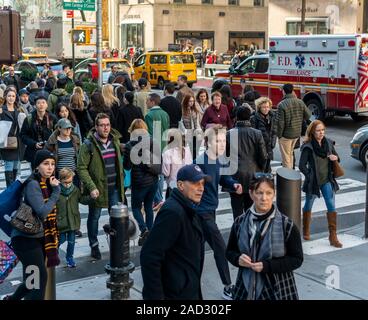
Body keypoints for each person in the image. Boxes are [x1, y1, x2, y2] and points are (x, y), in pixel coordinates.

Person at [226, 174, 303, 300]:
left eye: (268, 193)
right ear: (251, 194)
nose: (264, 198)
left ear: (274, 194)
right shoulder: (240, 222)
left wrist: (267, 266)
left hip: (278, 287)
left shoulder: (287, 225)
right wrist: (237, 259)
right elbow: (230, 251)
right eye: (259, 193)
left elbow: (297, 259)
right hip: (245, 286)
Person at [140, 164, 208, 300]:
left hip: (186, 289)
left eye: (202, 184)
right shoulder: (173, 213)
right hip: (175, 293)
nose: (201, 188)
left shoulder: (188, 207)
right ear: (181, 185)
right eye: (195, 183)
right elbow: (150, 255)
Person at [194, 127, 243, 299]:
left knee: (198, 249)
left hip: (210, 209)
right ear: (208, 142)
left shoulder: (218, 159)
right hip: (201, 212)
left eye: (223, 141)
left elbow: (223, 177)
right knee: (220, 247)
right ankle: (228, 286)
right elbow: (191, 186)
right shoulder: (200, 161)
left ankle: (192, 284)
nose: (222, 144)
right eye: (218, 141)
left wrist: (233, 184)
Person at [6, 150, 61, 300]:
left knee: (32, 281)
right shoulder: (33, 185)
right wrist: (56, 192)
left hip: (37, 238)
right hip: (25, 240)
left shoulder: (47, 183)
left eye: (52, 164)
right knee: (38, 279)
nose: (50, 167)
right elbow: (42, 212)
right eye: (45, 164)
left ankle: (12, 299)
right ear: (37, 166)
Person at [77, 113, 124, 260]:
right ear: (96, 127)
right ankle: (94, 244)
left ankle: (117, 243)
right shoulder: (88, 144)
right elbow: (81, 167)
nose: (105, 128)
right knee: (94, 217)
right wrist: (91, 186)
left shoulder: (115, 140)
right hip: (98, 189)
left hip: (114, 187)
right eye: (102, 125)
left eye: (108, 125)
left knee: (116, 217)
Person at [299, 120, 343, 247]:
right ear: (313, 131)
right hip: (313, 182)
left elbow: (337, 157)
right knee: (308, 204)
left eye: (323, 130)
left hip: (326, 180)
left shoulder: (328, 143)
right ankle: (306, 230)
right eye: (318, 130)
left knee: (331, 205)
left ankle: (333, 236)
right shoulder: (308, 146)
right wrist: (309, 175)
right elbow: (302, 165)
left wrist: (335, 158)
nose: (321, 133)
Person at [226, 106, 268, 220]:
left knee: (237, 210)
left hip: (234, 175)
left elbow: (224, 156)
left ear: (236, 118)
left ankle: (238, 233)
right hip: (253, 174)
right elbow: (264, 156)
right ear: (249, 118)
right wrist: (260, 169)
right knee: (251, 209)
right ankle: (250, 233)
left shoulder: (229, 134)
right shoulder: (257, 133)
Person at [123, 119, 160, 246]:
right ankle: (150, 232)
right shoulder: (152, 141)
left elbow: (127, 166)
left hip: (139, 182)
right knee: (149, 206)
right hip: (153, 180)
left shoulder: (129, 145)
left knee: (135, 207)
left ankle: (144, 230)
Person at [57, 168, 88, 268]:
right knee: (60, 240)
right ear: (60, 180)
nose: (68, 184)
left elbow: (82, 199)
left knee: (71, 241)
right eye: (65, 182)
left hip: (72, 221)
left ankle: (69, 257)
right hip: (61, 221)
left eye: (70, 182)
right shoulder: (57, 191)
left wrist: (91, 197)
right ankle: (53, 255)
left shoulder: (75, 190)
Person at [145, 93, 170, 211]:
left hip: (154, 147)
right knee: (161, 175)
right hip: (165, 146)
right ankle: (159, 199)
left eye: (147, 101)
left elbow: (150, 133)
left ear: (152, 102)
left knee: (154, 175)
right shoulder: (165, 114)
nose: (146, 103)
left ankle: (158, 199)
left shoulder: (149, 115)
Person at [276, 83, 311, 169]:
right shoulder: (300, 102)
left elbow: (280, 123)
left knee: (286, 158)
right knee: (290, 154)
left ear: (283, 91)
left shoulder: (281, 104)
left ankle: (288, 177)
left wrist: (279, 135)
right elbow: (308, 115)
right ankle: (291, 174)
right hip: (296, 134)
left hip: (286, 135)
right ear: (292, 91)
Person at [20, 96, 58, 170]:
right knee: (36, 174)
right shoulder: (29, 118)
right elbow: (23, 135)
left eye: (43, 102)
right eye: (38, 103)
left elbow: (58, 133)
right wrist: (34, 143)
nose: (41, 105)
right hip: (34, 152)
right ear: (35, 105)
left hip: (49, 150)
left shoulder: (52, 118)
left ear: (47, 105)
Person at [0, 87, 26, 186]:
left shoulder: (19, 109)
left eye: (13, 96)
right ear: (5, 97)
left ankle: (14, 190)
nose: (11, 98)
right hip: (7, 141)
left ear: (16, 97)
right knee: (9, 166)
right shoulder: (2, 110)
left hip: (19, 142)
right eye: (9, 96)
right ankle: (10, 190)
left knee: (17, 168)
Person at [162, 129, 192, 199]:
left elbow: (166, 173)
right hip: (186, 185)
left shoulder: (167, 153)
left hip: (173, 186)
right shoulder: (187, 150)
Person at [251, 97, 277, 173]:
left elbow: (274, 131)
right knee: (260, 169)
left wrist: (273, 143)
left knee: (268, 168)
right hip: (259, 148)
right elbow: (253, 134)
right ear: (259, 107)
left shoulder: (272, 117)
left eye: (267, 107)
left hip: (269, 147)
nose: (266, 109)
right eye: (264, 107)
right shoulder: (254, 118)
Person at [181, 94, 202, 160]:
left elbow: (197, 122)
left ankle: (195, 162)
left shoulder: (195, 110)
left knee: (195, 151)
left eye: (193, 101)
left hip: (195, 132)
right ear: (186, 101)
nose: (191, 103)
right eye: (190, 101)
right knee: (188, 150)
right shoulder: (182, 110)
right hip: (187, 132)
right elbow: (181, 122)